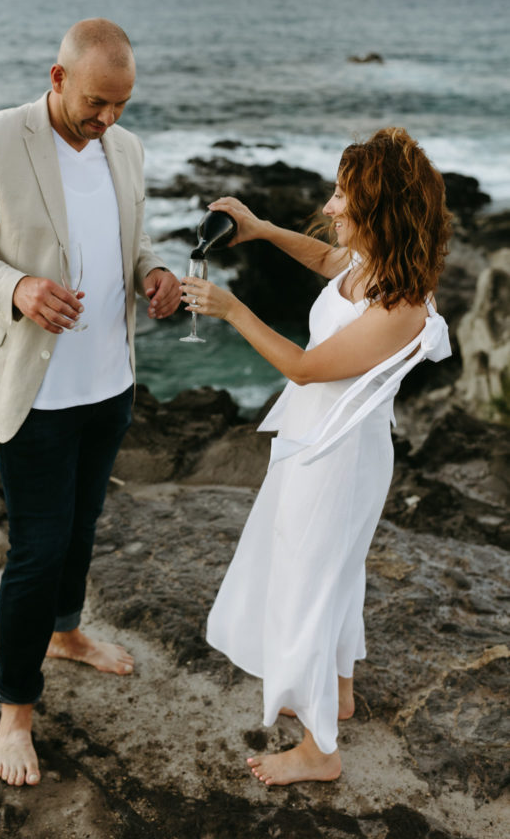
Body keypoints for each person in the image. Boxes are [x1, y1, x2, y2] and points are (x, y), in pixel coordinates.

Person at [0, 18, 180, 788]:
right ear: (58, 76)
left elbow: (129, 241)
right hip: (35, 393)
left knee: (80, 528)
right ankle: (14, 710)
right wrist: (18, 287)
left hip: (109, 382)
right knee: (37, 550)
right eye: (97, 103)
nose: (108, 120)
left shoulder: (125, 149)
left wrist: (157, 271)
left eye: (122, 105)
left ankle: (65, 634)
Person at [180, 127, 452, 786]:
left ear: (377, 208)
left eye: (340, 196)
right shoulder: (373, 268)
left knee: (305, 586)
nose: (329, 208)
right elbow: (332, 269)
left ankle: (318, 750)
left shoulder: (401, 304)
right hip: (320, 445)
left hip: (337, 458)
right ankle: (337, 688)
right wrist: (263, 231)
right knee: (331, 575)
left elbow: (304, 368)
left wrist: (231, 309)